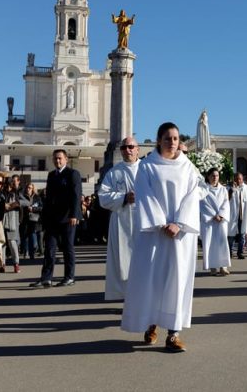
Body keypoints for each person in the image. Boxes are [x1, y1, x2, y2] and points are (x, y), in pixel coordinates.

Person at [121, 122, 200, 352]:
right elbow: (144, 196)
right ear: (158, 140)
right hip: (154, 234)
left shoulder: (187, 167)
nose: (172, 142)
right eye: (167, 138)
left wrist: (179, 223)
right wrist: (162, 223)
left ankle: (173, 334)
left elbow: (192, 196)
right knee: (153, 280)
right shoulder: (147, 167)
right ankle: (151, 323)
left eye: (175, 138)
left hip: (179, 236)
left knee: (177, 281)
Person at [30, 149, 83, 288]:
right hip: (52, 218)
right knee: (49, 249)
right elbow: (48, 199)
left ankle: (69, 277)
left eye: (60, 158)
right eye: (55, 159)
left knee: (67, 248)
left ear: (66, 159)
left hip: (68, 218)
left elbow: (76, 196)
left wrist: (75, 215)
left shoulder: (73, 174)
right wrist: (44, 216)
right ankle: (46, 278)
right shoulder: (51, 175)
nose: (57, 161)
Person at [98, 136, 141, 302]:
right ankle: (127, 297)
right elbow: (103, 196)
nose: (128, 150)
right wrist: (123, 198)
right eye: (124, 148)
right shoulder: (114, 172)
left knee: (142, 260)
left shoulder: (146, 169)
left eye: (131, 147)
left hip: (142, 222)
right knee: (123, 260)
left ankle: (143, 297)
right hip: (121, 223)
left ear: (138, 149)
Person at [200, 167, 231, 276]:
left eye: (217, 175)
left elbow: (226, 203)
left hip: (221, 221)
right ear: (208, 176)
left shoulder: (223, 189)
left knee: (222, 243)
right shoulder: (204, 189)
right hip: (209, 221)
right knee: (210, 244)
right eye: (212, 175)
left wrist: (221, 215)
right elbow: (203, 204)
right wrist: (213, 215)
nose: (215, 178)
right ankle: (212, 267)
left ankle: (223, 266)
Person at [2, 175, 29, 273]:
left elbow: (27, 202)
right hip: (1, 221)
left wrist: (15, 203)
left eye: (10, 184)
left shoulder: (16, 193)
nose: (8, 186)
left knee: (12, 243)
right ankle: (2, 264)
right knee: (2, 244)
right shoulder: (1, 193)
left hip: (13, 222)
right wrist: (2, 205)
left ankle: (16, 264)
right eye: (6, 184)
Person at [228, 173, 247, 260]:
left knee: (242, 234)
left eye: (239, 179)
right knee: (231, 235)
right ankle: (230, 252)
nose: (238, 181)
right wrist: (232, 190)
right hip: (232, 216)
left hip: (243, 216)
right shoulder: (228, 188)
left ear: (242, 179)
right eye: (236, 179)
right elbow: (225, 200)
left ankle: (240, 252)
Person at [21, 183, 42, 260]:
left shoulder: (37, 198)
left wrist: (33, 209)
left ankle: (32, 251)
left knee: (33, 239)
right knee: (25, 237)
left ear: (33, 189)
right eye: (27, 187)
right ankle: (26, 252)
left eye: (30, 188)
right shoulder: (22, 197)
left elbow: (41, 208)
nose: (28, 189)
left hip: (34, 220)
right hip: (25, 220)